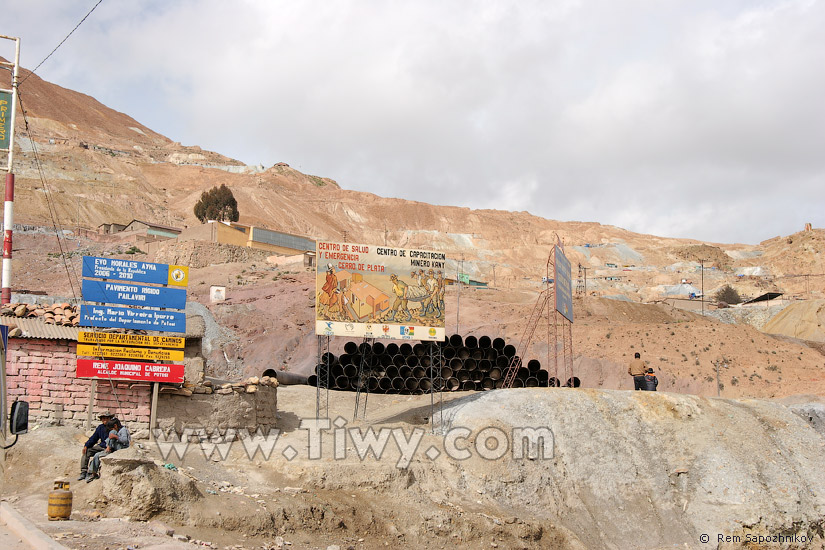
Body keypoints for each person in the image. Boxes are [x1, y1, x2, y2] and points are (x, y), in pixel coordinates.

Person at [86, 417, 130, 482]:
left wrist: (115, 437)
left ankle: (109, 448)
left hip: (122, 448)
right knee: (97, 455)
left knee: (113, 432)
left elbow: (125, 440)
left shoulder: (123, 430)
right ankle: (93, 473)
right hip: (115, 447)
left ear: (115, 425)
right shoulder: (101, 427)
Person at [78, 411, 114, 481]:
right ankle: (83, 472)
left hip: (109, 447)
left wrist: (110, 447)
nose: (105, 420)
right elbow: (94, 438)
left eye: (107, 418)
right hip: (101, 446)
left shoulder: (113, 427)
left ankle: (92, 473)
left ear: (110, 419)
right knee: (87, 452)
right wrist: (86, 445)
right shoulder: (100, 428)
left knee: (97, 455)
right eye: (103, 419)